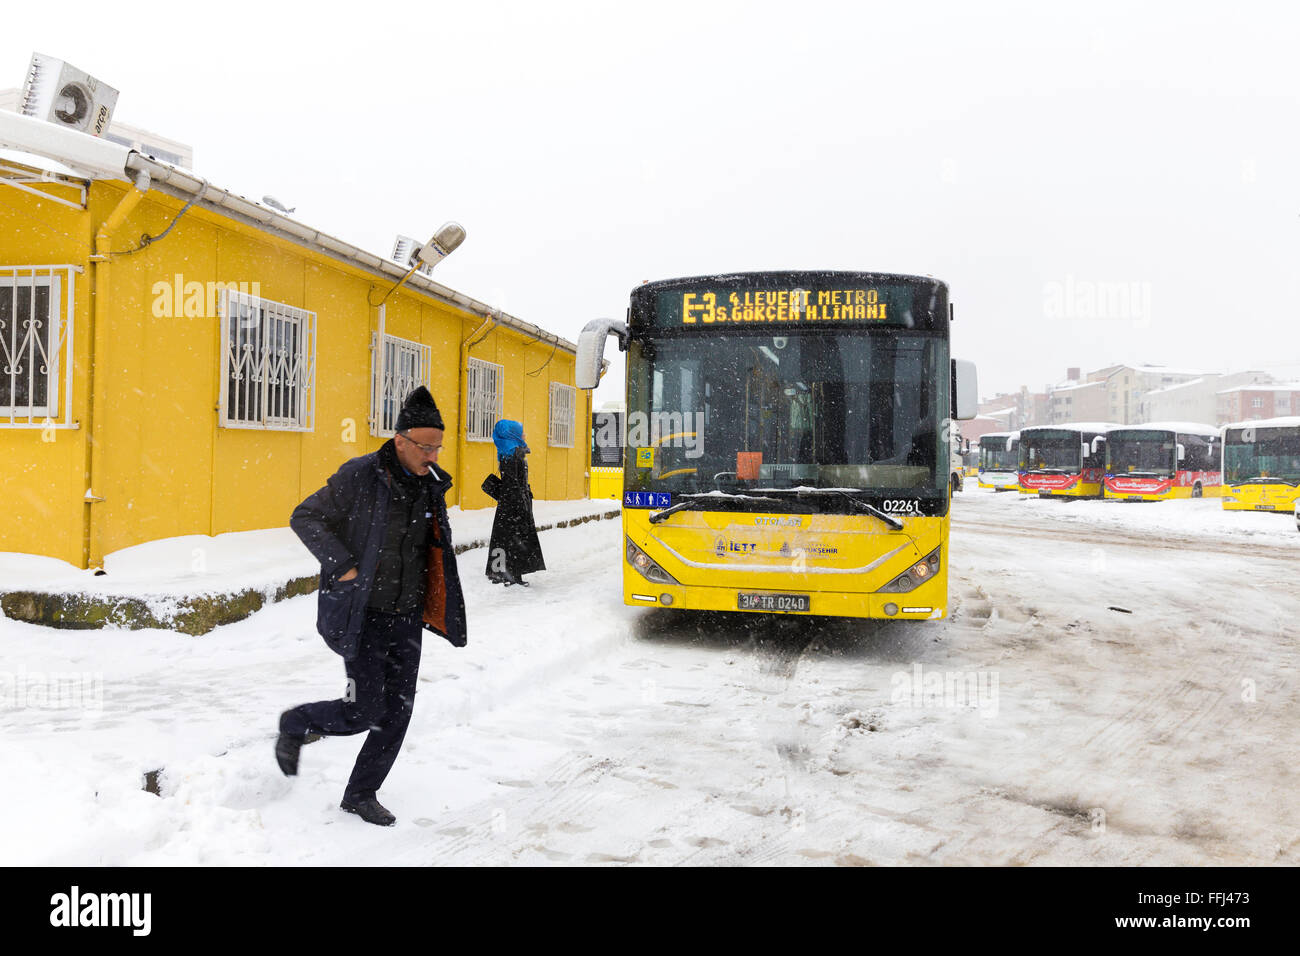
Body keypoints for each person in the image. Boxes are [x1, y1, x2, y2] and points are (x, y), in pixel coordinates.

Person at [275, 386, 466, 827]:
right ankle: (297, 722)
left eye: (438, 447)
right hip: (365, 615)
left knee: (398, 713)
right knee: (363, 710)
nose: (433, 456)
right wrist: (343, 566)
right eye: (425, 447)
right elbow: (305, 516)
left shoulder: (431, 484)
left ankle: (361, 794)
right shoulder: (361, 475)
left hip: (407, 616)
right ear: (400, 440)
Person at [486, 419, 545, 586]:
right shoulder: (512, 454)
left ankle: (504, 573)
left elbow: (515, 481)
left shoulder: (509, 451)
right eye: (520, 432)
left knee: (506, 538)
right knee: (514, 539)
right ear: (513, 434)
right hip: (514, 504)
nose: (524, 434)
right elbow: (512, 483)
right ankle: (510, 575)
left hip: (510, 503)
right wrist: (521, 502)